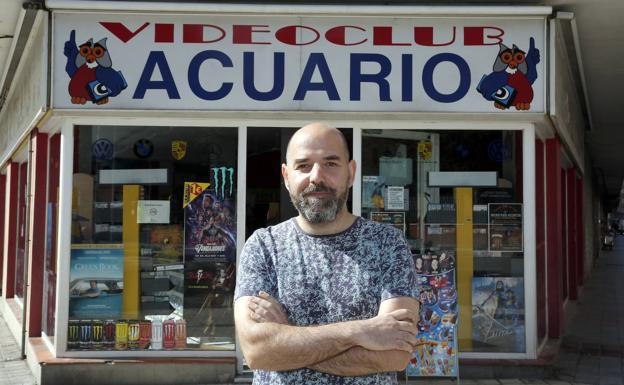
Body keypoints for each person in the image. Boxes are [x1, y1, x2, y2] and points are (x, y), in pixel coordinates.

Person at [234, 123, 420, 385]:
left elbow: (395, 355)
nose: (316, 177)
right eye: (303, 166)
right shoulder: (263, 246)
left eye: (331, 164)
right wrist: (361, 331)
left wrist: (286, 339)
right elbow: (257, 351)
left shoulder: (387, 244)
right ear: (286, 177)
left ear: (351, 172)